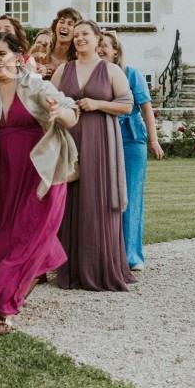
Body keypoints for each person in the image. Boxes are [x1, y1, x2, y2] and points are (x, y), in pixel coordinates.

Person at [0, 31, 80, 334]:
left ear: (19, 58)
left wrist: (58, 112)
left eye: (2, 54)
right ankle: (32, 270)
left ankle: (5, 310)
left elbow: (71, 114)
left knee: (26, 237)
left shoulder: (34, 83)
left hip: (40, 170)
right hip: (5, 172)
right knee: (8, 239)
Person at [51, 20, 136, 291]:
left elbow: (127, 104)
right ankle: (71, 267)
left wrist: (97, 104)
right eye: (76, 36)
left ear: (97, 38)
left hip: (101, 139)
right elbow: (47, 98)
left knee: (97, 198)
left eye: (84, 34)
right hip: (70, 139)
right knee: (71, 198)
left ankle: (100, 266)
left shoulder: (110, 70)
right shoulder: (64, 69)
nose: (79, 39)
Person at [108, 31, 164, 271]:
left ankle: (131, 255)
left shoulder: (131, 73)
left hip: (132, 139)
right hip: (106, 139)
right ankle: (110, 252)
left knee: (131, 195)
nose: (100, 50)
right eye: (98, 45)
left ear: (115, 51)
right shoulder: (95, 76)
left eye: (105, 46)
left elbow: (146, 108)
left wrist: (154, 140)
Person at [41, 7, 81, 79]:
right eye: (61, 22)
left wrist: (58, 73)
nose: (64, 26)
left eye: (70, 24)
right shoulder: (40, 51)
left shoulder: (78, 61)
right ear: (55, 26)